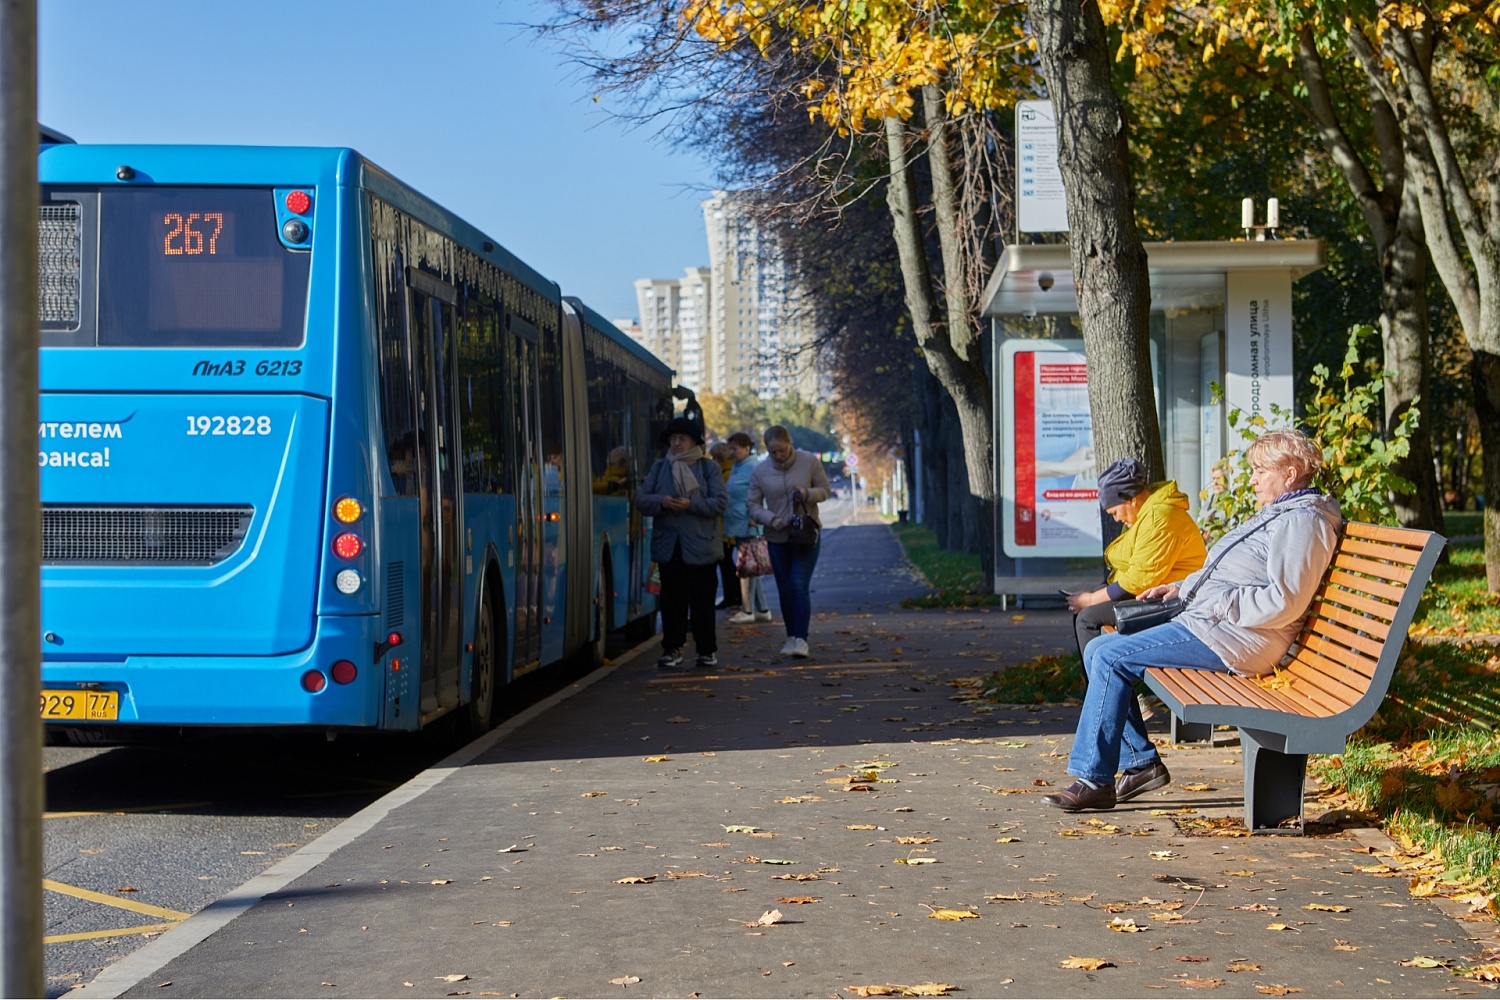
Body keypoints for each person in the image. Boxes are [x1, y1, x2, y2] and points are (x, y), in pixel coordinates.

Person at [1042, 429, 1341, 812]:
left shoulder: (1302, 523)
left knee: (1110, 656)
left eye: (1260, 471)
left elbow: (1285, 602)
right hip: (1217, 625)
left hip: (1239, 639)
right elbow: (1231, 573)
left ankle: (1096, 778)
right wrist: (1182, 587)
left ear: (1290, 472)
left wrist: (1219, 602)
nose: (1251, 479)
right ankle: (1136, 763)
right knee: (1101, 647)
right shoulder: (1284, 512)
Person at [1067, 458, 1207, 655]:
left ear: (1131, 499)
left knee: (1087, 618)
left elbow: (1139, 579)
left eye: (1115, 512)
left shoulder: (1160, 518)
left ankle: (1100, 683)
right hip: (1152, 592)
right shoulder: (1145, 514)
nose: (1116, 518)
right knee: (1087, 607)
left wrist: (1091, 599)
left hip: (1173, 599)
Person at [636, 417, 728, 670]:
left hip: (701, 548)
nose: (676, 444)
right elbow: (642, 500)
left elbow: (720, 504)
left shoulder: (708, 468)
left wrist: (691, 504)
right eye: (673, 439)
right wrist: (662, 502)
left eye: (681, 439)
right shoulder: (659, 467)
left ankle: (706, 650)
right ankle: (672, 648)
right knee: (671, 602)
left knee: (702, 603)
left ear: (693, 443)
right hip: (669, 548)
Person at [746, 425, 830, 659]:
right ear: (767, 450)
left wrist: (807, 493)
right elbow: (752, 504)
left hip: (805, 535)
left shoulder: (809, 462)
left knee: (797, 584)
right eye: (773, 452)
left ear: (790, 443)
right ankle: (791, 636)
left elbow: (825, 490)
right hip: (777, 536)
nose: (779, 456)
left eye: (782, 450)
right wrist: (769, 519)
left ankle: (802, 639)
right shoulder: (760, 471)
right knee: (784, 589)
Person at [723, 431, 771, 625]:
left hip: (748, 522)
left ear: (746, 448)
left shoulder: (752, 467)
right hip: (739, 522)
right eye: (730, 449)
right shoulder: (739, 466)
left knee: (746, 568)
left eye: (734, 449)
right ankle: (763, 609)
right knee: (752, 568)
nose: (731, 453)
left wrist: (756, 515)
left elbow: (762, 493)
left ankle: (747, 610)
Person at [710, 441, 740, 610]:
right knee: (726, 562)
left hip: (725, 526)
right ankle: (734, 595)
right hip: (728, 524)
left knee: (725, 562)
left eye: (714, 457)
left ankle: (732, 596)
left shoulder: (725, 474)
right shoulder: (729, 471)